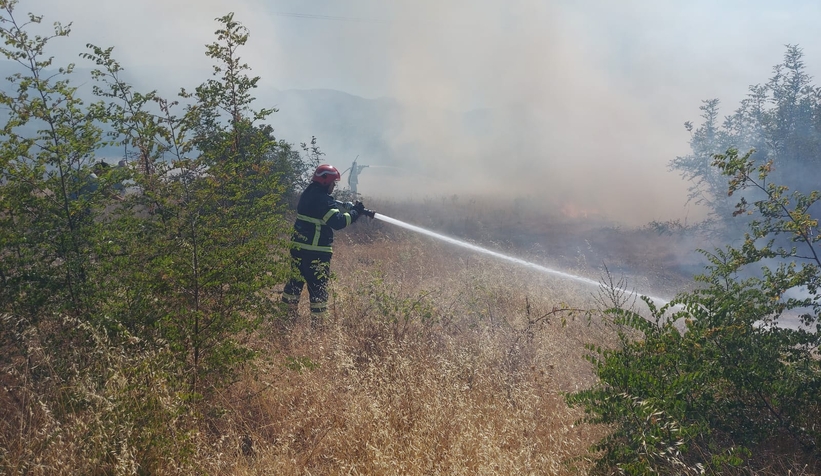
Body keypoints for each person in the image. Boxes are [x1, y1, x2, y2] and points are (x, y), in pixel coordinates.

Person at [281, 164, 369, 328]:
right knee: (318, 289)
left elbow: (328, 204)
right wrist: (356, 213)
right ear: (325, 182)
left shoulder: (308, 194)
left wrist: (346, 206)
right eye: (333, 183)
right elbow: (338, 222)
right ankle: (318, 326)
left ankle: (285, 319)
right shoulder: (323, 200)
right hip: (316, 253)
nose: (334, 186)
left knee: (294, 284)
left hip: (298, 250)